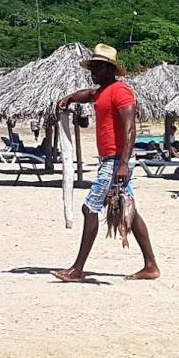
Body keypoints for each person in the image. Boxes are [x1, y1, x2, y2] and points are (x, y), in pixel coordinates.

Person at [52, 44, 159, 282]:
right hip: (110, 160)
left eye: (98, 67)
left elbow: (130, 130)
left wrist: (123, 164)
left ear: (110, 69)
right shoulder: (102, 92)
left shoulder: (121, 91)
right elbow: (87, 94)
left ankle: (77, 269)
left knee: (89, 208)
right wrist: (68, 98)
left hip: (115, 160)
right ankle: (151, 265)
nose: (93, 71)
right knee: (128, 210)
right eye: (92, 67)